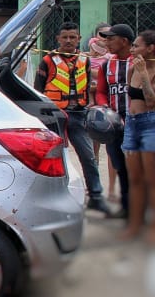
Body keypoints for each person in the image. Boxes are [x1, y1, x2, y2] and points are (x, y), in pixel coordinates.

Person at [34, 22, 112, 215]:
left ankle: (95, 196)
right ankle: (50, 199)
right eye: (65, 37)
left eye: (72, 37)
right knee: (52, 159)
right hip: (53, 116)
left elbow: (86, 86)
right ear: (58, 39)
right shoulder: (47, 60)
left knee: (88, 156)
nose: (68, 41)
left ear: (78, 39)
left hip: (78, 114)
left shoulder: (84, 61)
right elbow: (37, 90)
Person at [96, 23, 136, 220]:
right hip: (115, 126)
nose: (107, 42)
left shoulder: (139, 62)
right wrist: (105, 108)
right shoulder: (106, 64)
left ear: (124, 41)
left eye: (111, 38)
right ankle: (128, 208)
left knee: (140, 168)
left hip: (138, 125)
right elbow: (102, 91)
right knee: (120, 167)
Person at [123, 29, 155, 242]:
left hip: (150, 124)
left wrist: (144, 73)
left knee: (151, 180)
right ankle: (134, 226)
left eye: (136, 45)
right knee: (134, 179)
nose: (133, 49)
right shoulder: (132, 68)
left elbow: (151, 100)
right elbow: (129, 94)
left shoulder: (145, 70)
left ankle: (152, 228)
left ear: (150, 48)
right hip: (132, 125)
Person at [88, 25, 117, 200]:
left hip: (110, 107)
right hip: (94, 105)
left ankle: (112, 189)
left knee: (112, 150)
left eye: (109, 35)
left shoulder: (111, 59)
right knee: (92, 148)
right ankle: (94, 186)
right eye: (102, 34)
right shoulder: (86, 55)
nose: (105, 38)